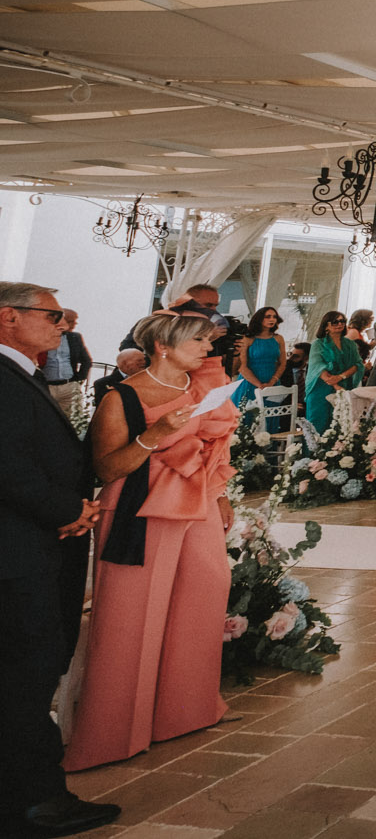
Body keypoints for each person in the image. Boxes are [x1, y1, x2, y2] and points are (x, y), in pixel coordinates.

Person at [67, 311, 236, 769]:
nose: (208, 348)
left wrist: (219, 495)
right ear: (163, 345)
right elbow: (105, 469)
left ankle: (184, 711)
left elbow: (214, 446)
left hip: (196, 498)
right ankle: (114, 733)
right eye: (199, 340)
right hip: (138, 507)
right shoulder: (120, 396)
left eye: (208, 340)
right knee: (131, 615)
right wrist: (154, 436)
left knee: (207, 587)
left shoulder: (200, 387)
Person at [0, 282, 118, 839]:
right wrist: (67, 509)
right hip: (20, 553)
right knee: (28, 674)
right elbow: (8, 466)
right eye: (52, 315)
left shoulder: (18, 373)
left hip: (29, 539)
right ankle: (36, 803)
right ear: (9, 318)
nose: (63, 324)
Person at [302, 311, 361, 432]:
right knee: (318, 425)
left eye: (342, 321)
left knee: (340, 426)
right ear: (326, 326)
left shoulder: (350, 344)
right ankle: (314, 451)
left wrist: (341, 377)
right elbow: (317, 367)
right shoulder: (318, 344)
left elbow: (357, 364)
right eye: (335, 322)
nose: (339, 324)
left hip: (343, 386)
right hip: (321, 388)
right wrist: (335, 384)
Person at [38, 308, 91, 412]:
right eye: (71, 321)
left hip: (69, 387)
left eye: (75, 321)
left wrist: (78, 380)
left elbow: (86, 360)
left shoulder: (75, 337)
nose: (75, 324)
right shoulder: (41, 336)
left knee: (72, 422)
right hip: (46, 387)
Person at [235, 307, 286, 405]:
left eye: (274, 317)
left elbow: (282, 363)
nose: (272, 319)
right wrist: (259, 385)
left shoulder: (279, 338)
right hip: (250, 382)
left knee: (271, 414)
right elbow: (242, 366)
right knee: (248, 416)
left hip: (272, 382)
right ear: (259, 319)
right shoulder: (247, 338)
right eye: (268, 317)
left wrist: (271, 382)